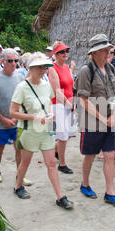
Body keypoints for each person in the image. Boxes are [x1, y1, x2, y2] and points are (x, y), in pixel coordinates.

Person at [10, 52, 73, 209]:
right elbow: (12, 112)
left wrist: (50, 114)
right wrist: (34, 117)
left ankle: (60, 196)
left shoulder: (46, 86)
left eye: (45, 67)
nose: (43, 70)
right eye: (39, 67)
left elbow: (49, 104)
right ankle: (18, 186)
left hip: (45, 129)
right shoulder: (22, 87)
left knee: (51, 163)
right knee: (26, 161)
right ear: (30, 68)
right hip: (28, 130)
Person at [74, 34, 115, 208]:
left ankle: (110, 192)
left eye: (108, 50)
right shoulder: (85, 71)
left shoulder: (110, 68)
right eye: (103, 50)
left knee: (110, 155)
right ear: (94, 53)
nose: (107, 53)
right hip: (92, 122)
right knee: (90, 155)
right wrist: (103, 118)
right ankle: (85, 184)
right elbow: (83, 100)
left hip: (110, 120)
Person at [0, 48, 29, 184]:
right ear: (2, 61)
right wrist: (3, 119)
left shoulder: (20, 77)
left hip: (16, 121)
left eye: (16, 60)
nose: (13, 63)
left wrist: (16, 117)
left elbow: (23, 100)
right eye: (10, 61)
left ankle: (20, 173)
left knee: (19, 148)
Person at [48, 41, 76, 174]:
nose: (65, 54)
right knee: (63, 134)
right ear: (56, 54)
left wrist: (73, 101)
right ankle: (62, 164)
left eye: (66, 51)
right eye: (62, 52)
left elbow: (72, 86)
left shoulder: (66, 68)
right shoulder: (52, 69)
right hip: (58, 104)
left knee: (70, 132)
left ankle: (55, 150)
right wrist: (68, 103)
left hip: (68, 103)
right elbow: (57, 91)